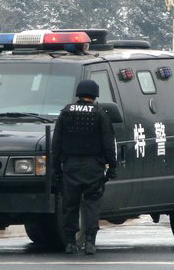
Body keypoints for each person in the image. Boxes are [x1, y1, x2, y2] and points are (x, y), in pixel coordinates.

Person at [52, 79, 117, 255]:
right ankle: (90, 242)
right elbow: (108, 143)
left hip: (71, 166)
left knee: (70, 205)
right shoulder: (100, 114)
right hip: (93, 166)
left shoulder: (66, 112)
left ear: (79, 94)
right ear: (95, 95)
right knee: (91, 204)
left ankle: (71, 243)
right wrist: (112, 166)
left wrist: (56, 169)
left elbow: (56, 143)